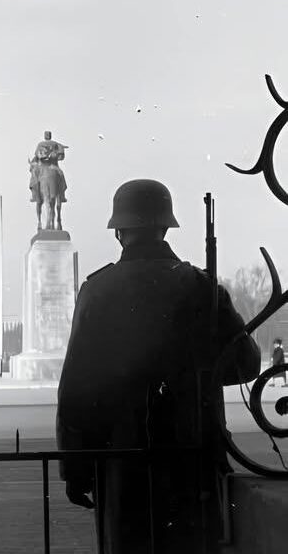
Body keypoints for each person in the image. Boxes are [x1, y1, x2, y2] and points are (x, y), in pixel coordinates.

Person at [57, 179, 261, 554]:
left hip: (120, 462)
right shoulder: (201, 286)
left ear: (118, 231)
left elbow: (76, 392)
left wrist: (75, 469)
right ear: (166, 227)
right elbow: (246, 364)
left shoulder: (97, 290)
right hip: (190, 459)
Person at [29, 130, 68, 203]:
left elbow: (37, 155)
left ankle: (34, 195)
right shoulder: (55, 144)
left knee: (34, 177)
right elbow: (61, 157)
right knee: (61, 175)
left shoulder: (40, 144)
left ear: (45, 136)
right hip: (53, 166)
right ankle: (62, 195)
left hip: (42, 166)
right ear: (50, 136)